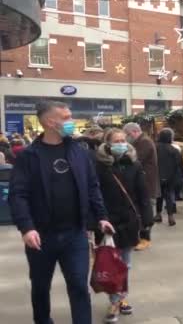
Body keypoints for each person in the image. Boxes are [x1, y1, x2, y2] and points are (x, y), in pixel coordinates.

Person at [9, 101, 114, 324]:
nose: (71, 121)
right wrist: (26, 227)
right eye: (66, 117)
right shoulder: (29, 156)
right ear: (49, 121)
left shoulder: (79, 151)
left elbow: (92, 186)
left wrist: (102, 216)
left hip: (75, 234)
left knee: (78, 285)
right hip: (41, 237)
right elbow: (18, 194)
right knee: (40, 285)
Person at [96, 128, 153, 323]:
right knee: (111, 263)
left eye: (123, 140)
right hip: (108, 221)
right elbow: (95, 194)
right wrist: (97, 219)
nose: (121, 143)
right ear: (108, 144)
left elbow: (142, 194)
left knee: (125, 264)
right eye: (116, 140)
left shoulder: (134, 164)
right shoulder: (100, 166)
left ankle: (121, 298)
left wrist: (147, 219)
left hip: (129, 220)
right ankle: (114, 301)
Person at [123, 122, 159, 251]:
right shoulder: (141, 141)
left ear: (134, 132)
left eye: (127, 135)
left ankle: (145, 239)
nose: (126, 138)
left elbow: (136, 159)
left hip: (147, 183)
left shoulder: (144, 142)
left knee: (146, 212)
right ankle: (141, 237)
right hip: (143, 182)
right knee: (141, 210)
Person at [154, 128, 182, 226]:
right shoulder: (174, 150)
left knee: (159, 196)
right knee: (169, 196)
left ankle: (158, 214)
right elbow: (180, 164)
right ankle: (171, 217)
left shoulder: (155, 148)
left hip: (157, 176)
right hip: (171, 177)